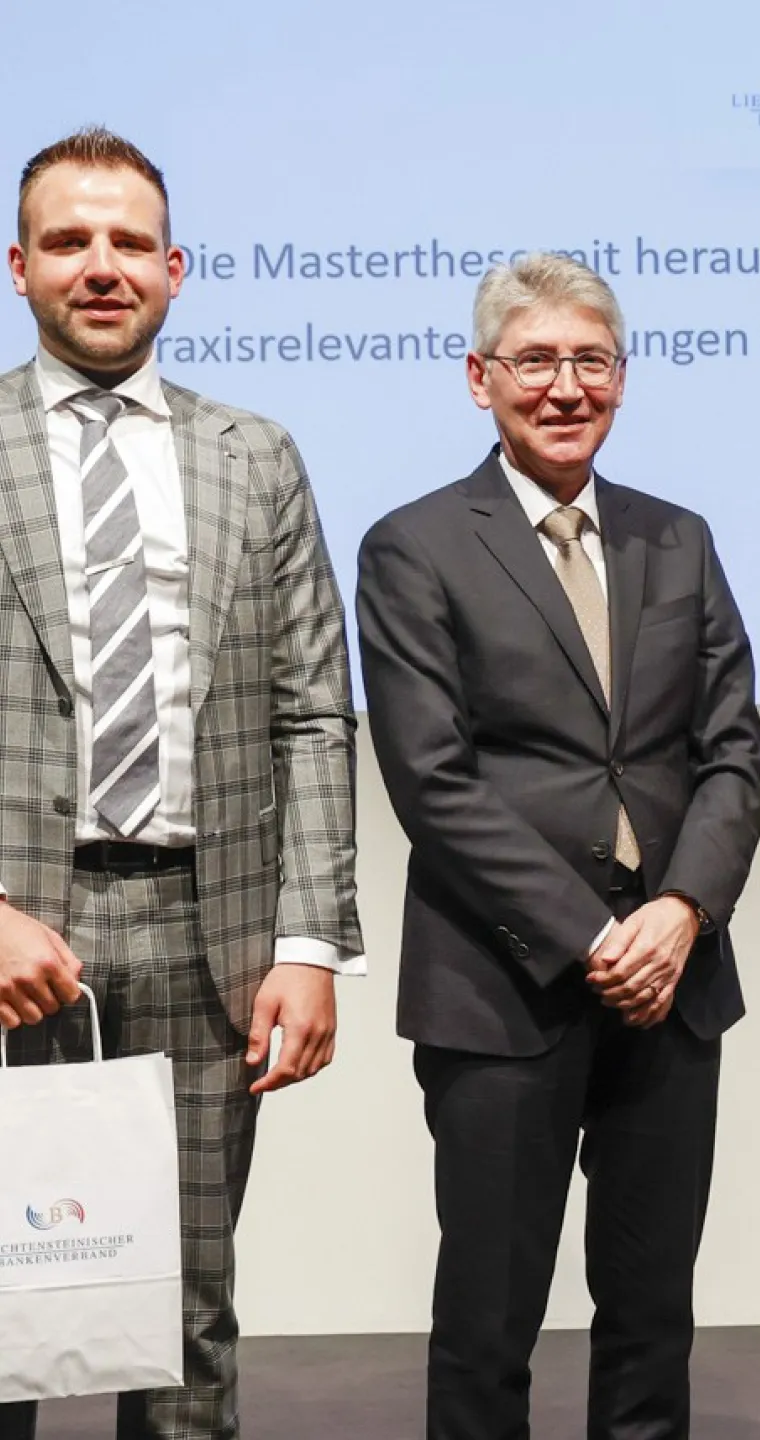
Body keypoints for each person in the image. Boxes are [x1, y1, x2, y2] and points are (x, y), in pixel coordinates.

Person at [356, 252, 760, 1440]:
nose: (564, 386)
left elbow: (733, 752)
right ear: (479, 379)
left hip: (673, 984)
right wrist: (595, 934)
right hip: (502, 988)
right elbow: (432, 781)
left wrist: (682, 913)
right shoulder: (415, 545)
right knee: (489, 1324)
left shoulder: (677, 539)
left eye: (590, 360)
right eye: (534, 362)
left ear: (623, 379)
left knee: (653, 1317)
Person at [0, 129, 362, 1440]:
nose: (102, 267)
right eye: (70, 241)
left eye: (128, 243)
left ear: (175, 268)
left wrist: (311, 944)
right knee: (4, 1308)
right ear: (20, 266)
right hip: (11, 931)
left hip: (209, 935)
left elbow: (315, 713)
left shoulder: (254, 456)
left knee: (188, 1318)